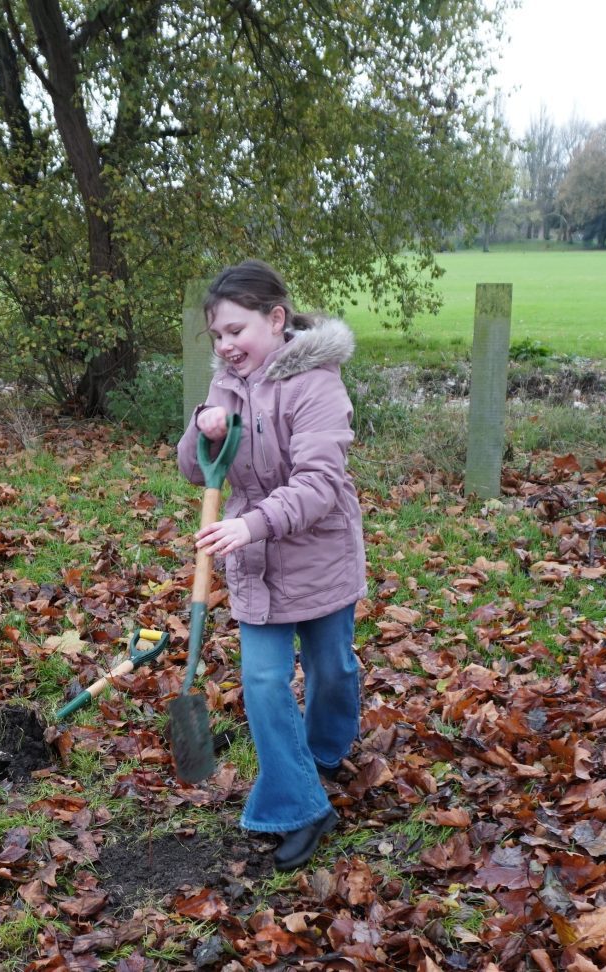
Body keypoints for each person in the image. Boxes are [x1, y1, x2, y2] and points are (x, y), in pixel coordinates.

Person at [177, 259, 366, 871]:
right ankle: (300, 804)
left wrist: (251, 523)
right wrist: (203, 432)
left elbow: (319, 483)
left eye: (237, 331)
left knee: (330, 668)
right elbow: (193, 468)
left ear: (276, 319)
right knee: (262, 681)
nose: (227, 346)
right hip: (254, 561)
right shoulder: (225, 387)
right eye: (218, 337)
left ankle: (327, 750)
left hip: (318, 557)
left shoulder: (317, 384)